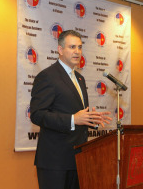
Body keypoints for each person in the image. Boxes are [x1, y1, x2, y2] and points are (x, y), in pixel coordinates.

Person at [30, 30, 112, 189]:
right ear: (60, 50)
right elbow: (37, 114)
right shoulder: (47, 76)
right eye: (72, 47)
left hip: (78, 159)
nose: (77, 51)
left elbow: (79, 114)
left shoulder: (79, 79)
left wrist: (91, 119)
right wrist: (73, 119)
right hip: (55, 162)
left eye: (80, 47)